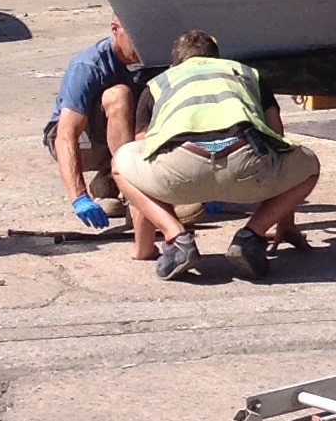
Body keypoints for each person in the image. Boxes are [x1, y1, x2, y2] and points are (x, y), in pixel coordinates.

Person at [112, 29, 320, 281]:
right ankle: (251, 237)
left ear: (175, 62)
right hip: (245, 167)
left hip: (181, 172)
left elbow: (145, 151)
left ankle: (177, 239)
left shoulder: (159, 83)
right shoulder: (247, 74)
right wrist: (284, 223)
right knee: (308, 165)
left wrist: (143, 247)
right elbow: (278, 139)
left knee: (121, 165)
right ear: (217, 58)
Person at [44, 19, 145, 228]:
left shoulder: (156, 59)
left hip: (121, 136)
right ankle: (132, 194)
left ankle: (108, 181)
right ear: (115, 30)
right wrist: (79, 197)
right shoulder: (89, 65)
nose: (141, 44)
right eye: (134, 36)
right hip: (82, 142)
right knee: (119, 96)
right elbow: (66, 135)